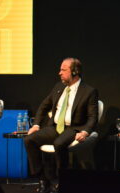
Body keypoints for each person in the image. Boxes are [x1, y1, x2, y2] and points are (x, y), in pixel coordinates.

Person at [24, 58, 98, 193]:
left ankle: (61, 180)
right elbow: (43, 106)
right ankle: (43, 179)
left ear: (75, 72)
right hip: (55, 127)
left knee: (59, 144)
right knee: (29, 140)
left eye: (63, 70)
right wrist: (36, 125)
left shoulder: (89, 91)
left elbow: (93, 117)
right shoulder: (59, 87)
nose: (59, 73)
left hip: (73, 128)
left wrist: (86, 132)